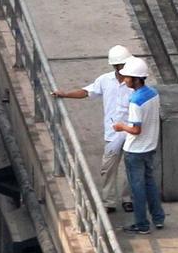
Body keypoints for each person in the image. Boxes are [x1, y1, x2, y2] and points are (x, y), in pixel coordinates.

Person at [53, 46, 135, 211]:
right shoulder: (105, 80)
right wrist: (66, 94)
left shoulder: (135, 82)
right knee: (108, 169)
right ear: (116, 66)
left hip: (132, 133)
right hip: (113, 134)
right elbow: (87, 92)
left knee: (132, 167)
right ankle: (109, 201)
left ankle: (128, 199)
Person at [113, 57, 165, 234]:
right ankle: (158, 218)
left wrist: (121, 126)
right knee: (150, 183)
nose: (124, 79)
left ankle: (142, 224)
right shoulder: (153, 94)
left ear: (135, 79)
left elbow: (135, 130)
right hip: (150, 147)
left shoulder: (135, 100)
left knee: (137, 189)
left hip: (134, 150)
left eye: (127, 77)